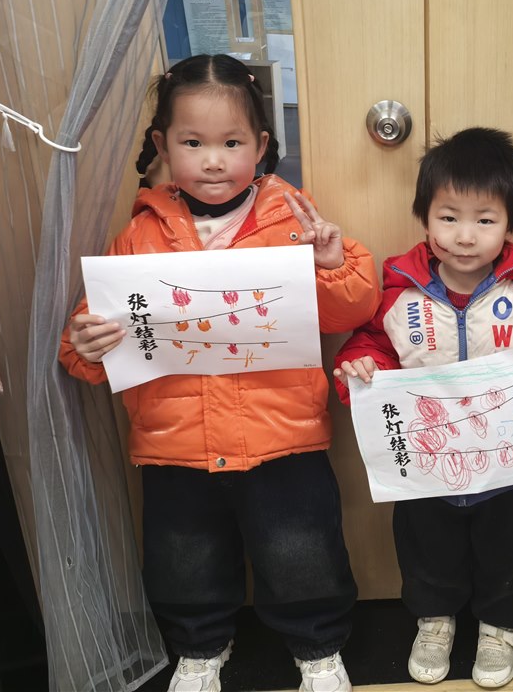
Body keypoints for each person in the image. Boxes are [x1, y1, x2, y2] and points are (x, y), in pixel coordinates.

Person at [59, 54, 381, 692]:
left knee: (302, 549)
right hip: (174, 442)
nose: (213, 161)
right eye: (193, 143)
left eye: (231, 143)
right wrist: (86, 345)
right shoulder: (138, 235)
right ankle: (200, 646)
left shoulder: (296, 221)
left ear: (260, 146)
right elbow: (91, 337)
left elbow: (355, 307)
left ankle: (318, 647)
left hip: (283, 435)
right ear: (162, 146)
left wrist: (332, 264)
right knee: (184, 557)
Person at [332, 127, 513, 689]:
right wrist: (359, 367)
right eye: (448, 217)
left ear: (510, 223)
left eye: (485, 220)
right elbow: (369, 346)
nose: (465, 236)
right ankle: (434, 620)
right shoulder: (397, 292)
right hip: (427, 464)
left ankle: (500, 627)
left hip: (508, 467)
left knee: (510, 553)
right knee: (426, 550)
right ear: (425, 217)